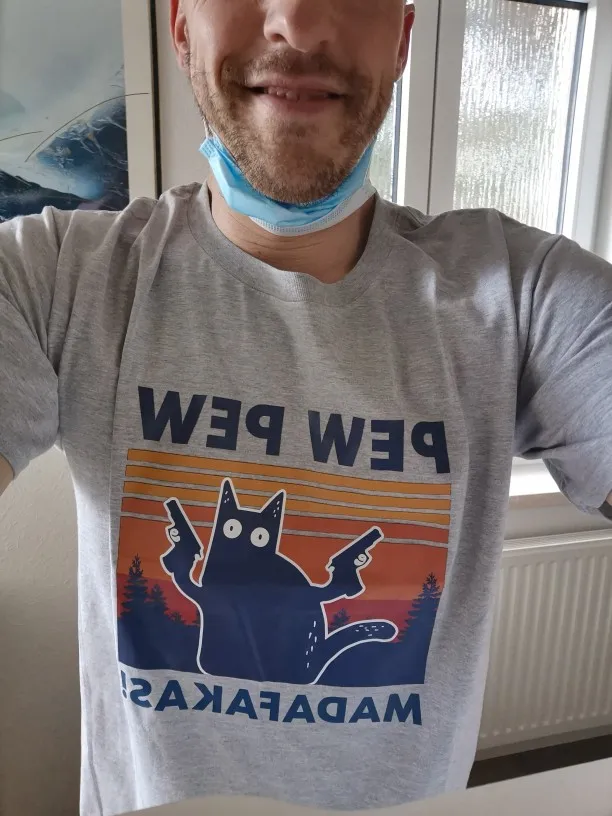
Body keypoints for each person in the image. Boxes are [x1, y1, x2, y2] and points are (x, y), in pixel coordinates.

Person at [0, 0, 611, 814]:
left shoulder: (525, 299)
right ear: (180, 26)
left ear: (402, 37)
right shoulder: (54, 279)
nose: (297, 20)